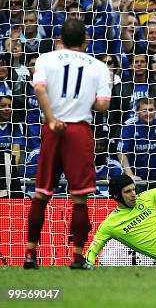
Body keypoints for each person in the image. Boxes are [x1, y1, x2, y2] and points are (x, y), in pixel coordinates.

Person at [24, 19, 111, 270]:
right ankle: (77, 256)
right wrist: (85, 102)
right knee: (80, 198)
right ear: (85, 40)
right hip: (79, 131)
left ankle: (30, 253)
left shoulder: (45, 59)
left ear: (60, 39)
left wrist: (51, 118)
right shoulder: (98, 66)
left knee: (41, 193)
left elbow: (39, 89)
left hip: (52, 127)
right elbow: (103, 105)